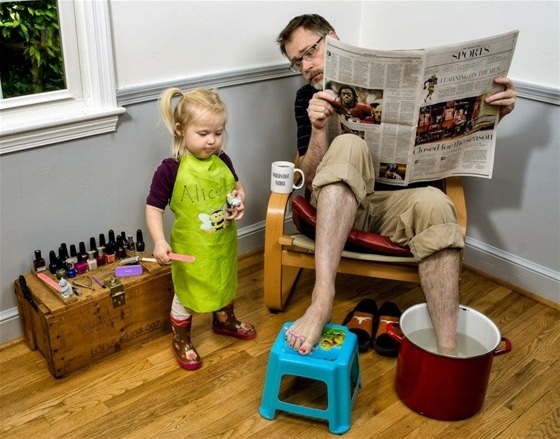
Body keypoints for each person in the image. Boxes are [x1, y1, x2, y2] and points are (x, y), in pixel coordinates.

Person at [276, 14, 516, 356]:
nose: (305, 66)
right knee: (349, 145)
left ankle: (446, 350)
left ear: (332, 37)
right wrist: (317, 129)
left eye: (309, 52)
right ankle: (321, 299)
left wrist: (493, 114)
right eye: (296, 61)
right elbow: (311, 180)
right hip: (336, 208)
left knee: (436, 203)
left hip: (394, 210)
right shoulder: (306, 99)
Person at [146, 87, 256, 370]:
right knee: (188, 294)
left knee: (224, 282)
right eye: (203, 133)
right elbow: (153, 207)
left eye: (218, 133)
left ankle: (224, 320)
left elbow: (238, 188)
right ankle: (181, 338)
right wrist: (159, 241)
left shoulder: (223, 160)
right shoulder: (170, 169)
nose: (212, 141)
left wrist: (239, 201)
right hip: (191, 250)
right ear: (181, 130)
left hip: (222, 245)